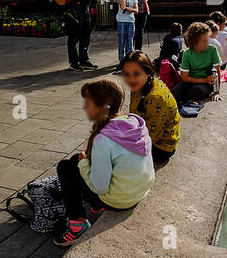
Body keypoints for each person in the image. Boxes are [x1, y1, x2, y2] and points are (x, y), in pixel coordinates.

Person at [53, 78, 155, 244]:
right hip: (139, 192)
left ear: (103, 107)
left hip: (119, 201)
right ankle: (95, 205)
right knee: (75, 160)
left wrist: (84, 164)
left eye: (88, 102)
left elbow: (100, 187)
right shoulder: (134, 124)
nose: (84, 106)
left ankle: (77, 225)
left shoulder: (103, 140)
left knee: (65, 167)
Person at [119, 53, 180, 167]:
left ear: (148, 72)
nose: (131, 79)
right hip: (144, 134)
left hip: (161, 147)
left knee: (114, 152)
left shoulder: (155, 97)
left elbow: (150, 136)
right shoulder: (139, 86)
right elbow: (133, 116)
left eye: (136, 74)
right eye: (127, 74)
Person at [174, 22, 227, 106]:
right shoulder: (187, 53)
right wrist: (204, 80)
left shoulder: (212, 50)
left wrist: (216, 92)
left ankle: (184, 101)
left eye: (208, 39)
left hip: (207, 83)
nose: (207, 43)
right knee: (174, 92)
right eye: (204, 41)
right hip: (191, 80)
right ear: (194, 41)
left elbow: (217, 72)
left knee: (196, 90)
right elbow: (184, 78)